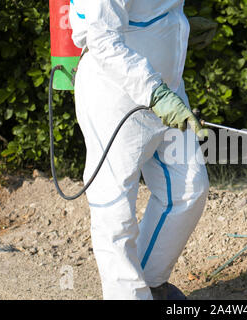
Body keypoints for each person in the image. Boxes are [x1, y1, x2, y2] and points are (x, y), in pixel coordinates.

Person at [69, 0, 214, 300]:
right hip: (116, 96)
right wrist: (153, 92)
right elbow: (101, 37)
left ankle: (149, 282)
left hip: (168, 90)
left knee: (189, 188)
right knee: (115, 209)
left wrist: (179, 26)